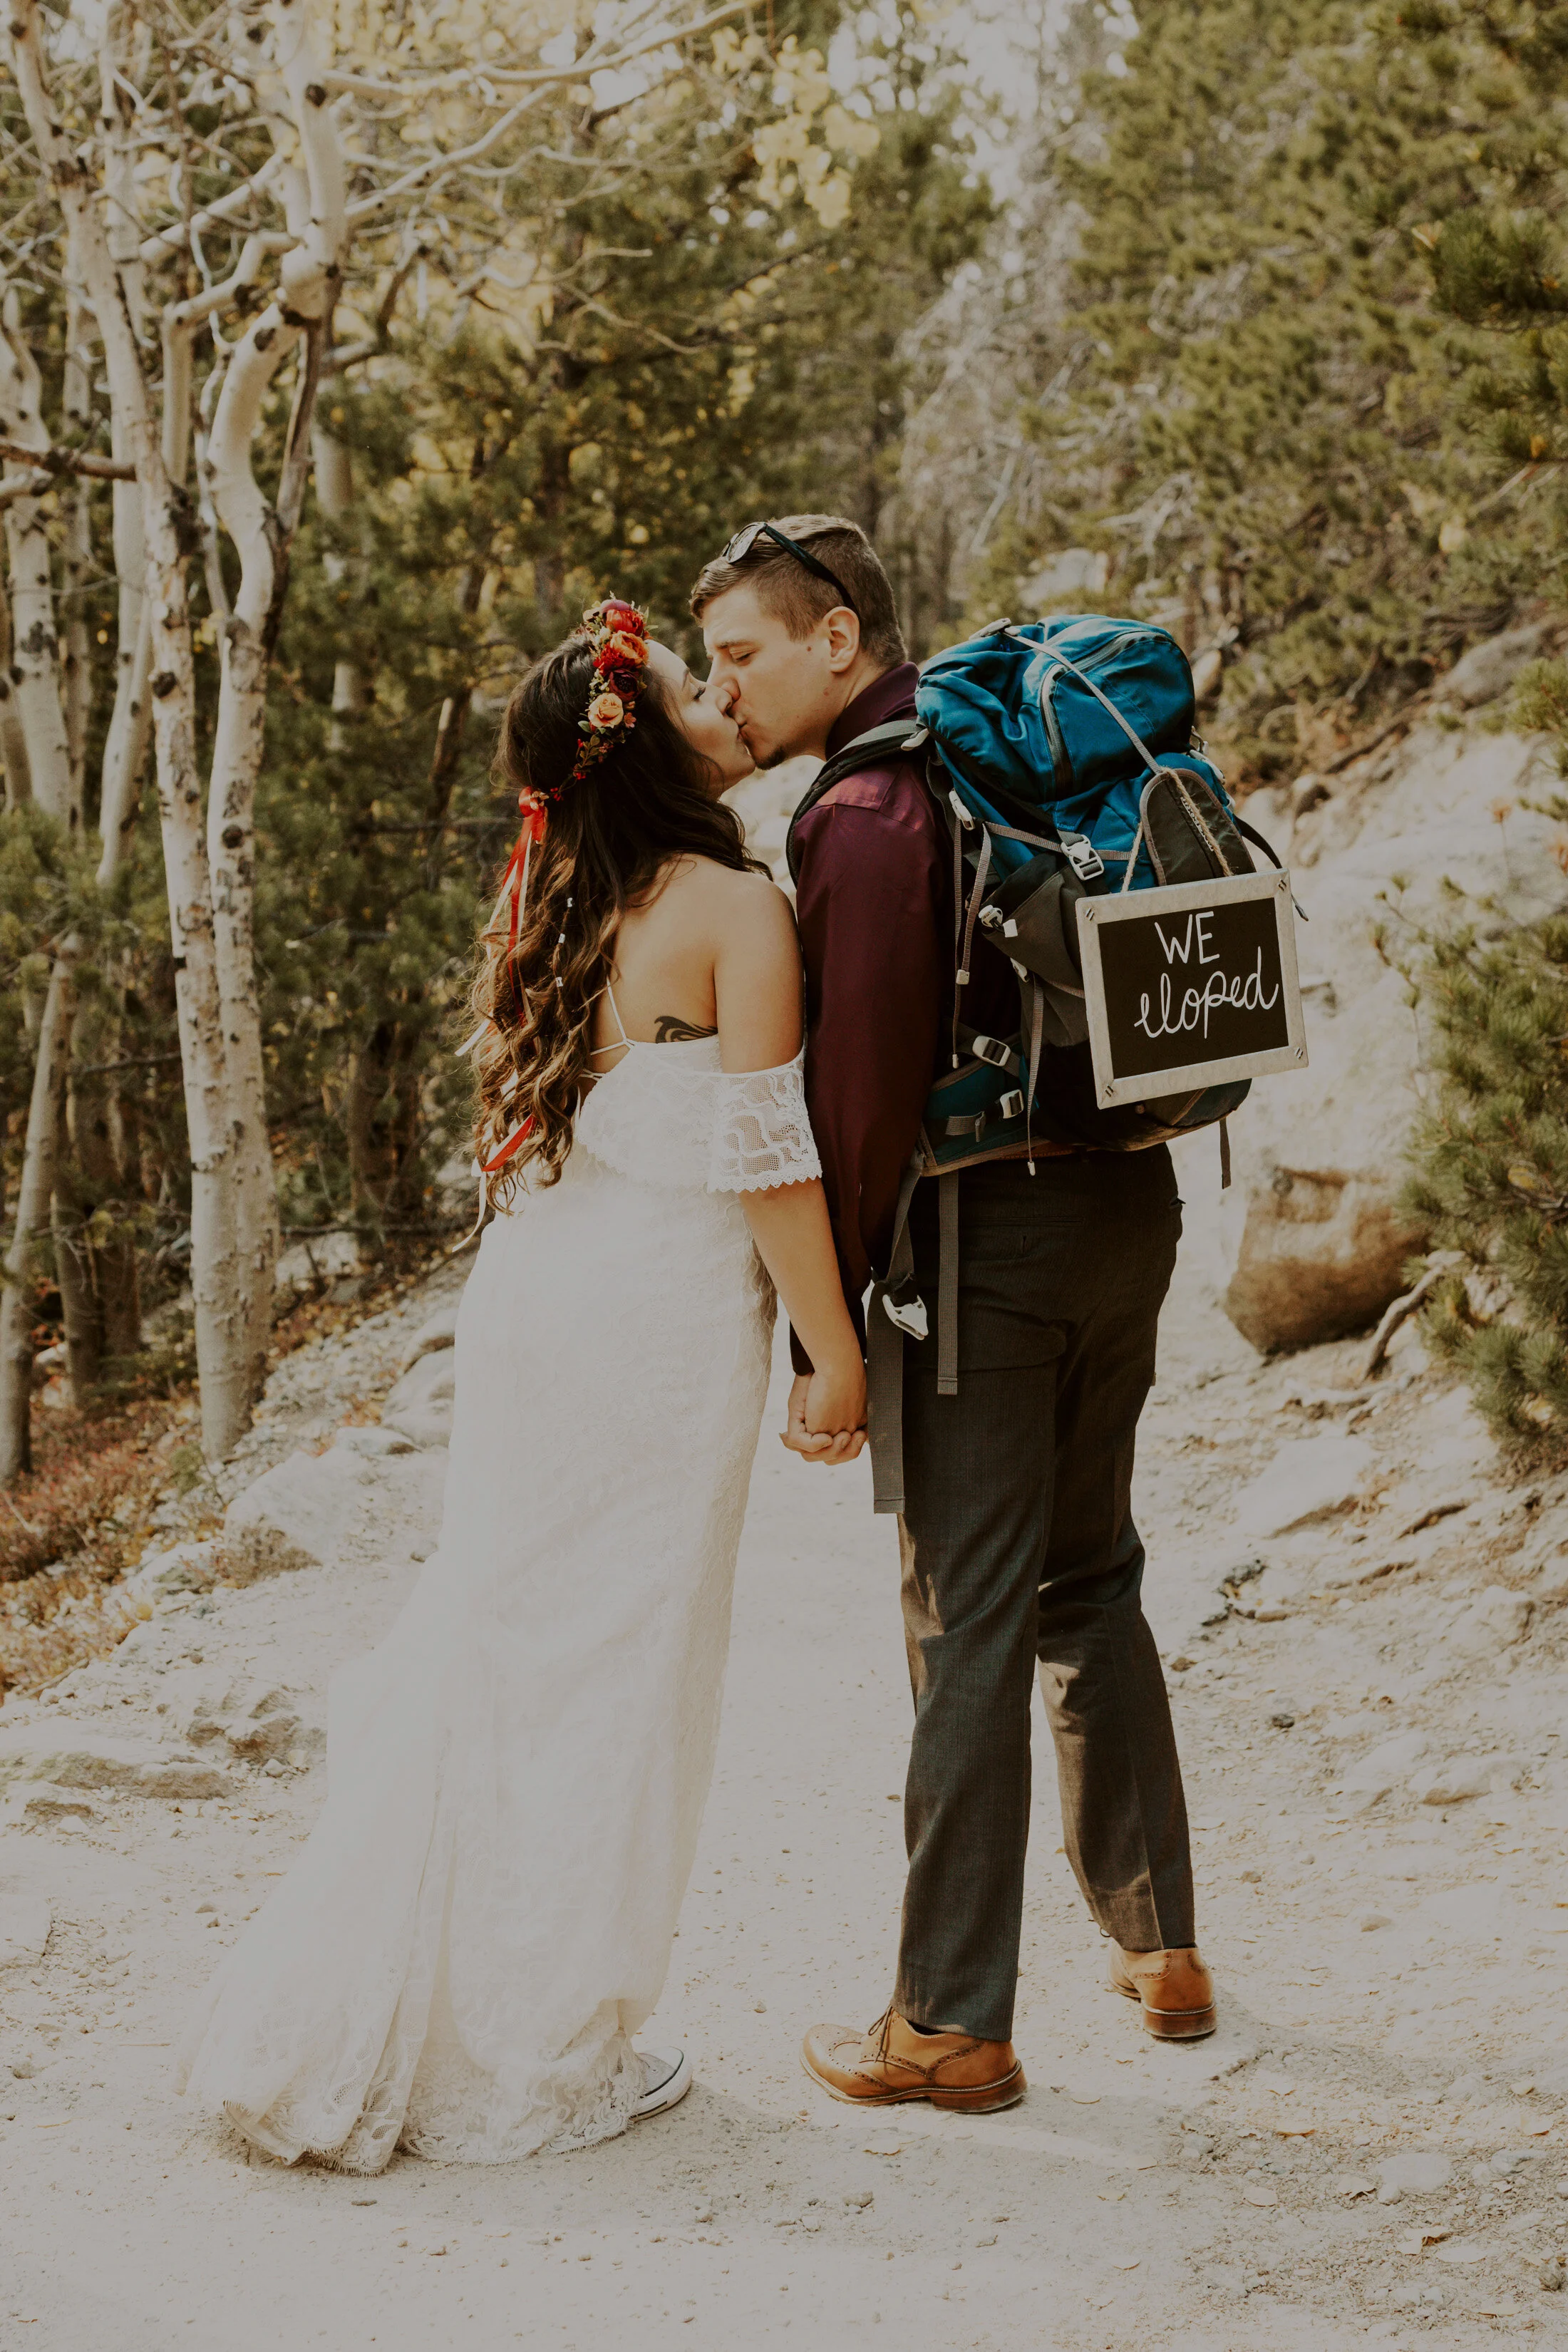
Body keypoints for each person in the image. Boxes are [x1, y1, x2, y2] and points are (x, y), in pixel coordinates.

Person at [177, 601, 866, 2171]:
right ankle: (548, 2044)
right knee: (618, 1665)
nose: (721, 697)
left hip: (539, 1308)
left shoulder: (544, 901)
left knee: (501, 1641)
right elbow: (767, 1162)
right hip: (658, 1330)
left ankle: (447, 2007)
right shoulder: (731, 911)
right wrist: (831, 1351)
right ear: (649, 742)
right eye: (697, 685)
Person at [693, 517, 1216, 2114]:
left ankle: (947, 2024)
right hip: (1126, 1208)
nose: (723, 689)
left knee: (963, 1614)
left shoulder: (860, 815)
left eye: (742, 653)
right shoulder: (993, 767)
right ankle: (1159, 1946)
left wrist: (823, 1334)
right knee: (1090, 1570)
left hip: (979, 1243)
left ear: (836, 638)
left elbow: (854, 1103)